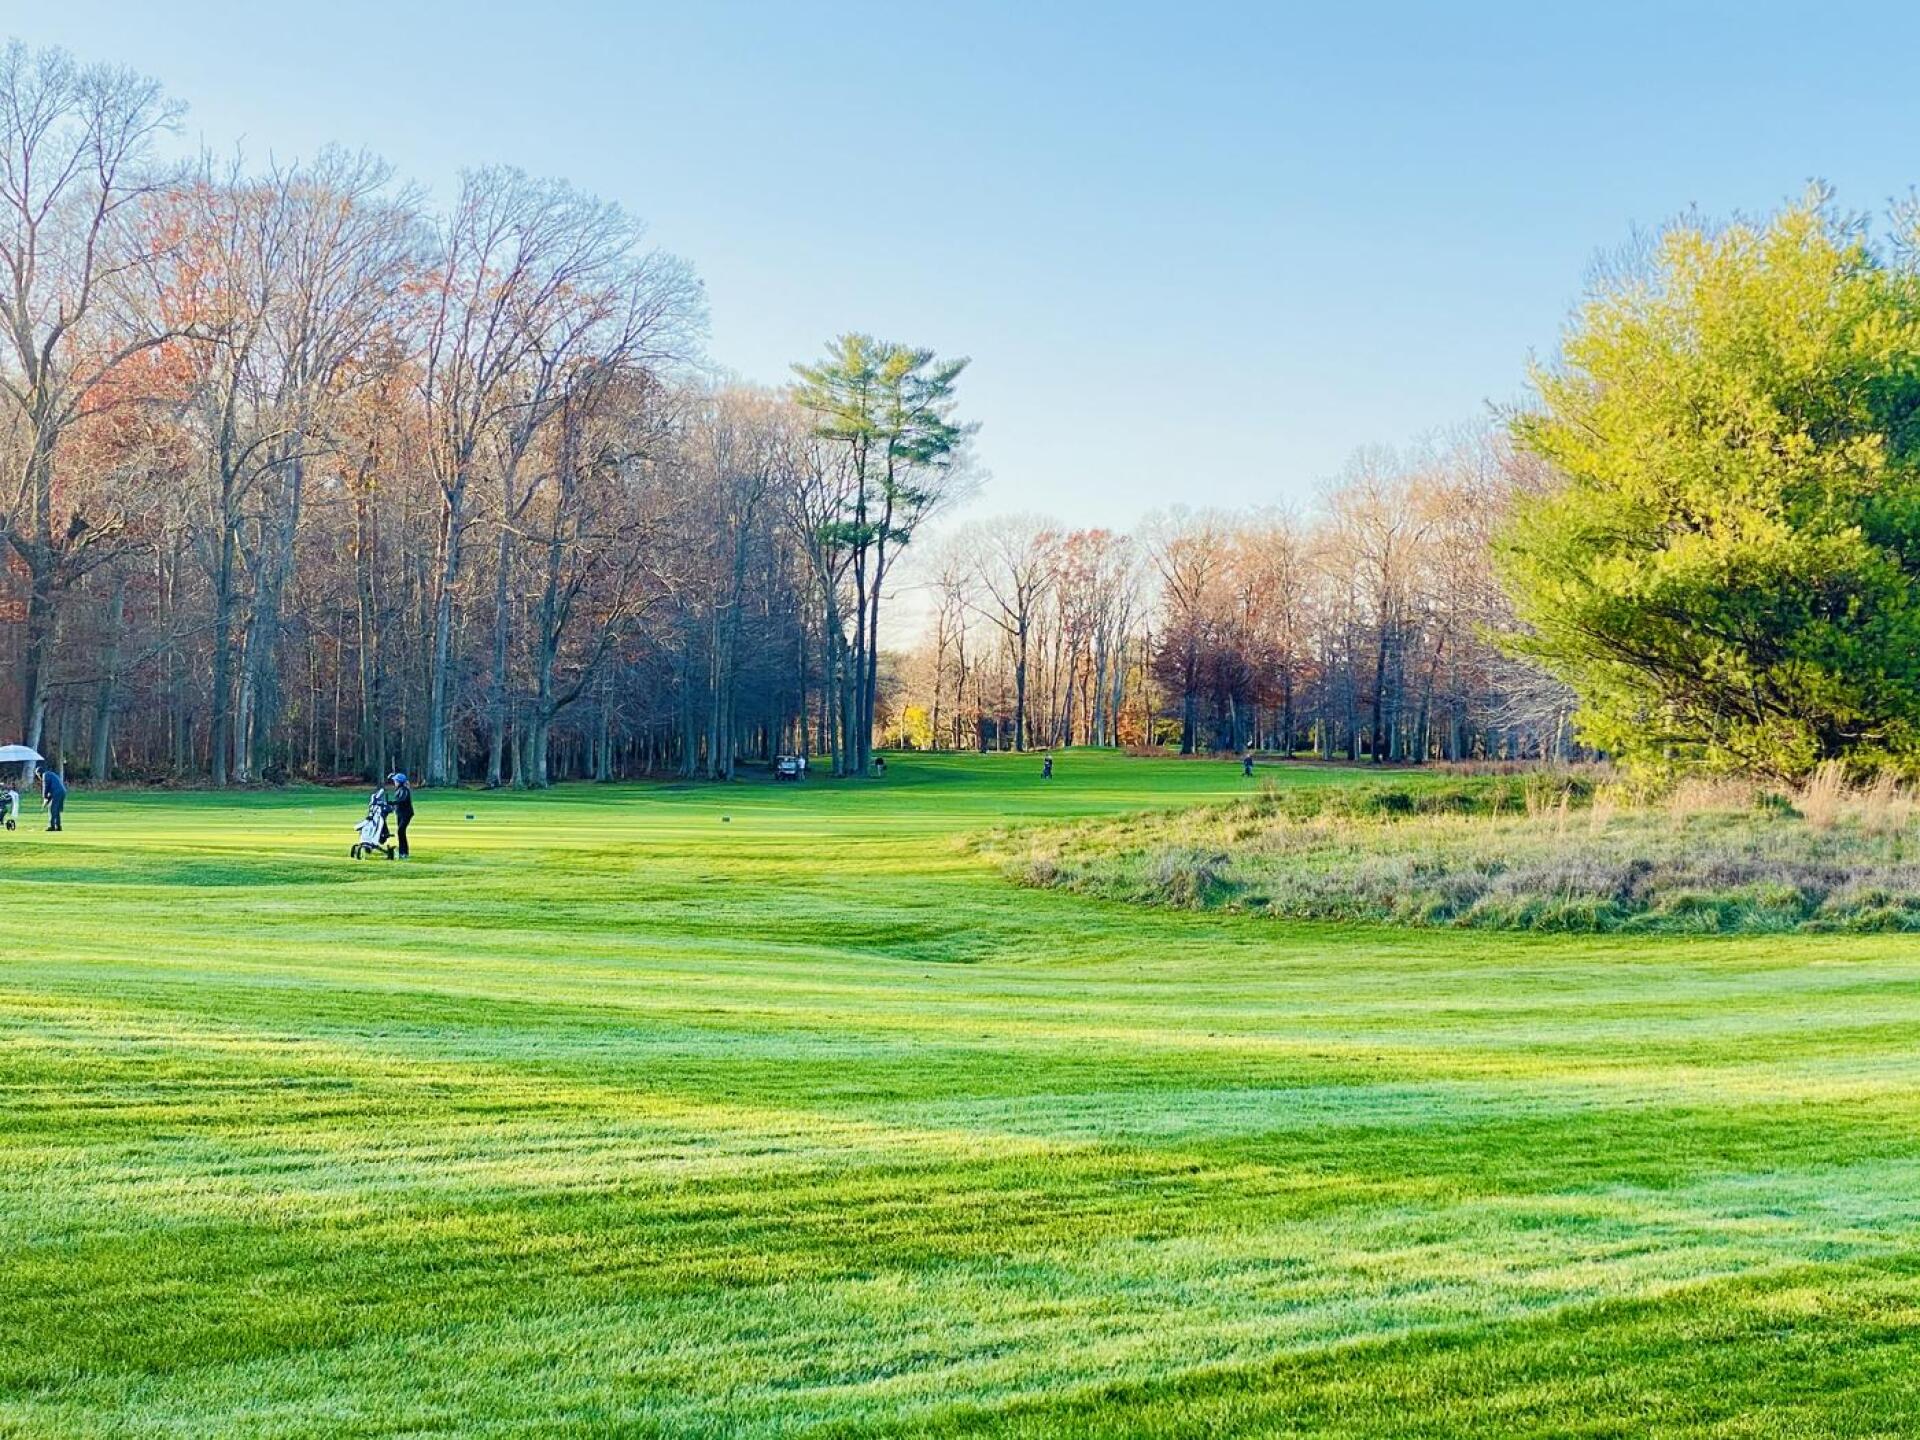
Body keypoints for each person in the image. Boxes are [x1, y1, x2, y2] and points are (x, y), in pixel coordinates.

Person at [389, 772, 414, 859]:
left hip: (406, 814)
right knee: (401, 833)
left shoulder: (404, 790)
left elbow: (401, 800)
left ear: (399, 782)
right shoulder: (399, 789)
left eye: (395, 781)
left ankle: (404, 852)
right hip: (400, 813)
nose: (394, 782)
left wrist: (392, 802)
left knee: (400, 831)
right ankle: (402, 852)